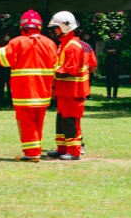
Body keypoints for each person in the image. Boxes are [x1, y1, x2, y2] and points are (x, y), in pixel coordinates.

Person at [0, 10, 56, 162]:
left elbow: (1, 58)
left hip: (24, 92)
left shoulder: (17, 42)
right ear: (40, 26)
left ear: (22, 25)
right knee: (38, 123)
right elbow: (56, 66)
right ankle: (35, 151)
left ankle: (31, 154)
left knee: (26, 122)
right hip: (43, 92)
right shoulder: (50, 43)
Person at [47, 11, 88, 161]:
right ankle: (62, 148)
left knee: (71, 120)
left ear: (65, 26)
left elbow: (70, 71)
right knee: (62, 120)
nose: (54, 31)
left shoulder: (72, 46)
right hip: (65, 91)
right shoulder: (65, 44)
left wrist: (51, 70)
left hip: (73, 91)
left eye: (56, 27)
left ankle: (74, 151)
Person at [103, 31, 120, 98]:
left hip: (116, 62)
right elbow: (104, 50)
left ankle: (115, 94)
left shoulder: (118, 42)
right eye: (111, 33)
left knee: (116, 79)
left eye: (113, 33)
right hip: (108, 62)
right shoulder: (107, 41)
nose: (112, 34)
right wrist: (109, 51)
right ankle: (108, 94)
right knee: (108, 79)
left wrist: (114, 51)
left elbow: (120, 50)